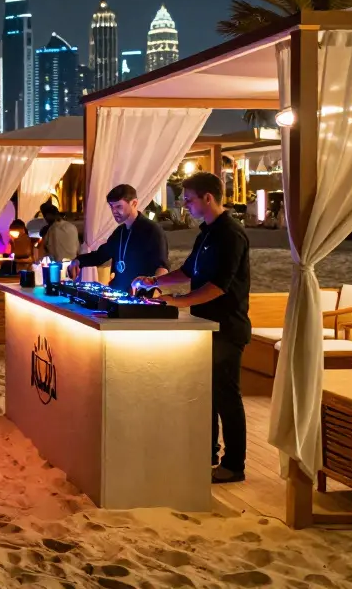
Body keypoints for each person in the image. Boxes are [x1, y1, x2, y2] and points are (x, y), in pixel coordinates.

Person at [133, 173, 250, 485]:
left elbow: (218, 287)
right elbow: (189, 271)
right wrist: (154, 281)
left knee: (227, 396)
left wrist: (177, 301)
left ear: (207, 198)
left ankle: (234, 464)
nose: (184, 205)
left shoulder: (231, 234)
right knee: (205, 392)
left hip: (227, 326)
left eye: (188, 199)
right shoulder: (207, 232)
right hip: (205, 325)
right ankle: (206, 452)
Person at [70, 184, 169, 292]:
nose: (114, 211)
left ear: (134, 203)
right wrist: (78, 261)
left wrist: (153, 287)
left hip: (141, 298)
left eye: (118, 206)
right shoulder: (119, 232)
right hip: (118, 294)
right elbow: (100, 256)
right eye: (111, 207)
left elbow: (162, 266)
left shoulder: (152, 230)